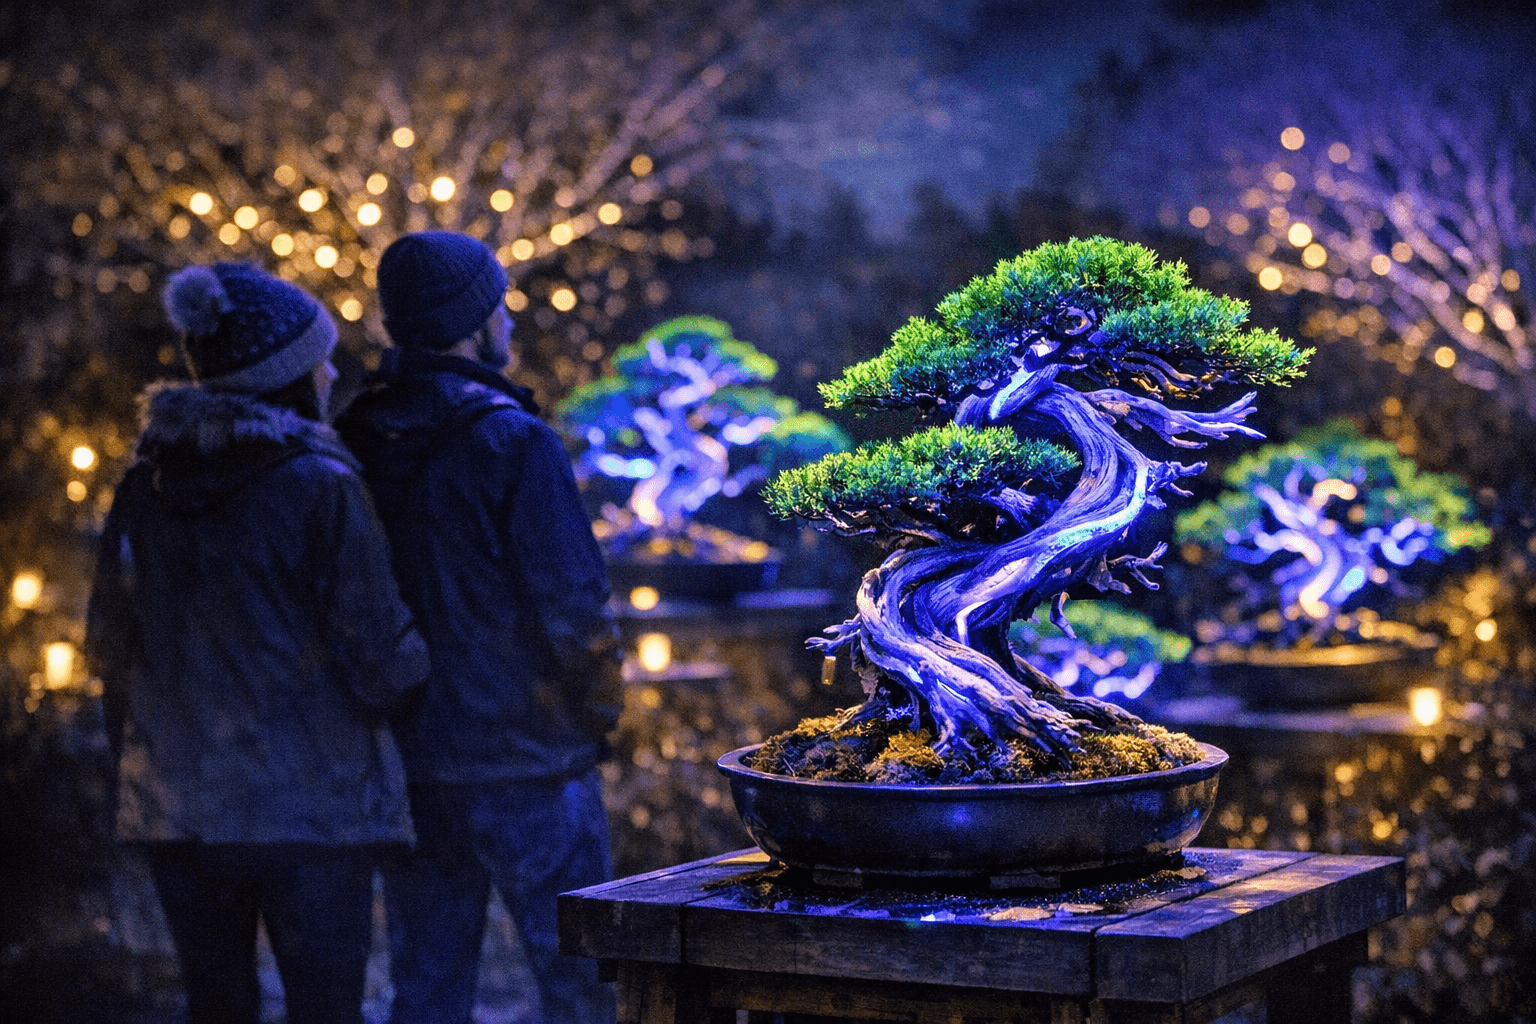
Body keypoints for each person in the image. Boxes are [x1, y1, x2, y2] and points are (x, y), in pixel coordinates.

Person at [85, 262, 430, 1024]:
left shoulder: (145, 486)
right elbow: (380, 659)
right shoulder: (321, 484)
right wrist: (423, 663)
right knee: (326, 1006)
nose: (331, 373)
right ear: (286, 378)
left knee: (217, 1003)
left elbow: (107, 647)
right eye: (319, 361)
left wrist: (143, 764)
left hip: (183, 807)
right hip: (312, 810)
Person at [337, 231, 623, 1024]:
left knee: (427, 987)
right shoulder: (515, 440)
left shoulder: (353, 438)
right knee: (581, 980)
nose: (511, 319)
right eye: (500, 303)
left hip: (414, 760)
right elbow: (574, 606)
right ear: (474, 321)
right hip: (532, 758)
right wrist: (599, 713)